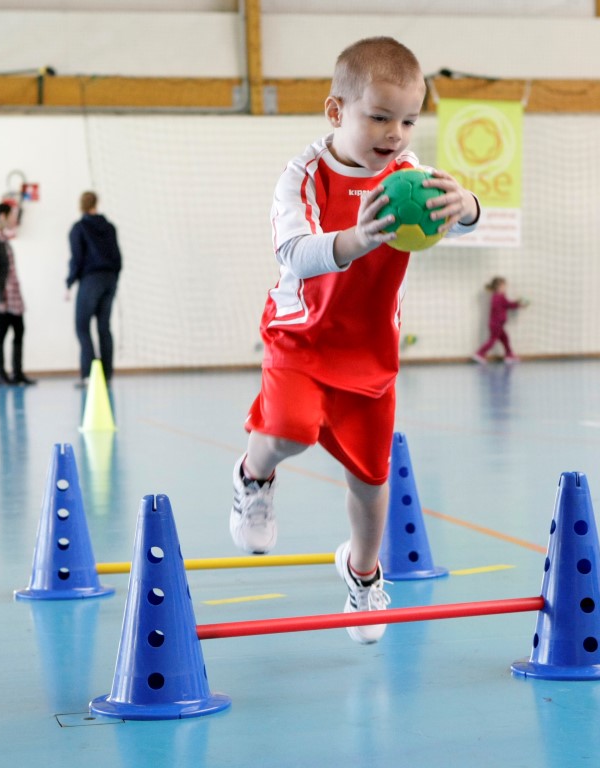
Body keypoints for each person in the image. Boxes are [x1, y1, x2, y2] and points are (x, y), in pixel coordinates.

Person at [229, 36, 480, 645]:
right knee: (289, 430)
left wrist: (466, 206)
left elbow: (463, 214)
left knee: (371, 488)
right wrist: (358, 238)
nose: (395, 133)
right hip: (302, 339)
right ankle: (252, 479)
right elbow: (295, 252)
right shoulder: (302, 177)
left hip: (370, 357)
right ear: (337, 111)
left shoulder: (409, 176)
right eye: (379, 116)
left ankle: (362, 575)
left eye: (409, 120)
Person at [66, 190, 122, 387]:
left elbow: (77, 259)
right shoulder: (109, 227)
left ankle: (90, 374)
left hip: (90, 280)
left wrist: (69, 282)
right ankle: (106, 374)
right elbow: (117, 258)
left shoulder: (79, 228)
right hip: (110, 280)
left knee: (82, 326)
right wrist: (113, 279)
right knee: (103, 327)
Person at [0, 201, 36, 386]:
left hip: (13, 293)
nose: (14, 220)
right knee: (1, 333)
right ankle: (0, 373)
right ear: (3, 217)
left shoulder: (3, 239)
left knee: (19, 330)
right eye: (11, 216)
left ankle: (17, 372)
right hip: (3, 294)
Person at [472, 276, 528, 364]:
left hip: (498, 324)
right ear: (499, 287)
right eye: (504, 286)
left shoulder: (496, 297)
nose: (506, 288)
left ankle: (509, 355)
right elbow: (508, 305)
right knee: (493, 340)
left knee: (505, 339)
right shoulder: (499, 297)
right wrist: (519, 304)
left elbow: (506, 305)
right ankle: (479, 354)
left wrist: (517, 303)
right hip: (497, 324)